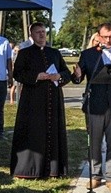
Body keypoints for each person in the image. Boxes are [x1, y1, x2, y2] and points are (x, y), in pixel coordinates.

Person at [72, 22, 111, 193]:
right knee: (95, 142)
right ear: (98, 36)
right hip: (95, 104)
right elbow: (78, 78)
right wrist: (76, 76)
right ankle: (95, 175)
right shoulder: (88, 54)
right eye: (105, 37)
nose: (108, 40)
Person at [10, 22, 72, 178]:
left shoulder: (55, 53)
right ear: (32, 35)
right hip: (33, 100)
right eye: (38, 32)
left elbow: (66, 73)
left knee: (53, 130)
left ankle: (53, 169)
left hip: (53, 99)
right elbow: (17, 74)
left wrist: (59, 76)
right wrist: (36, 76)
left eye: (43, 31)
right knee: (34, 132)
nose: (42, 34)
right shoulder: (25, 53)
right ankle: (32, 169)